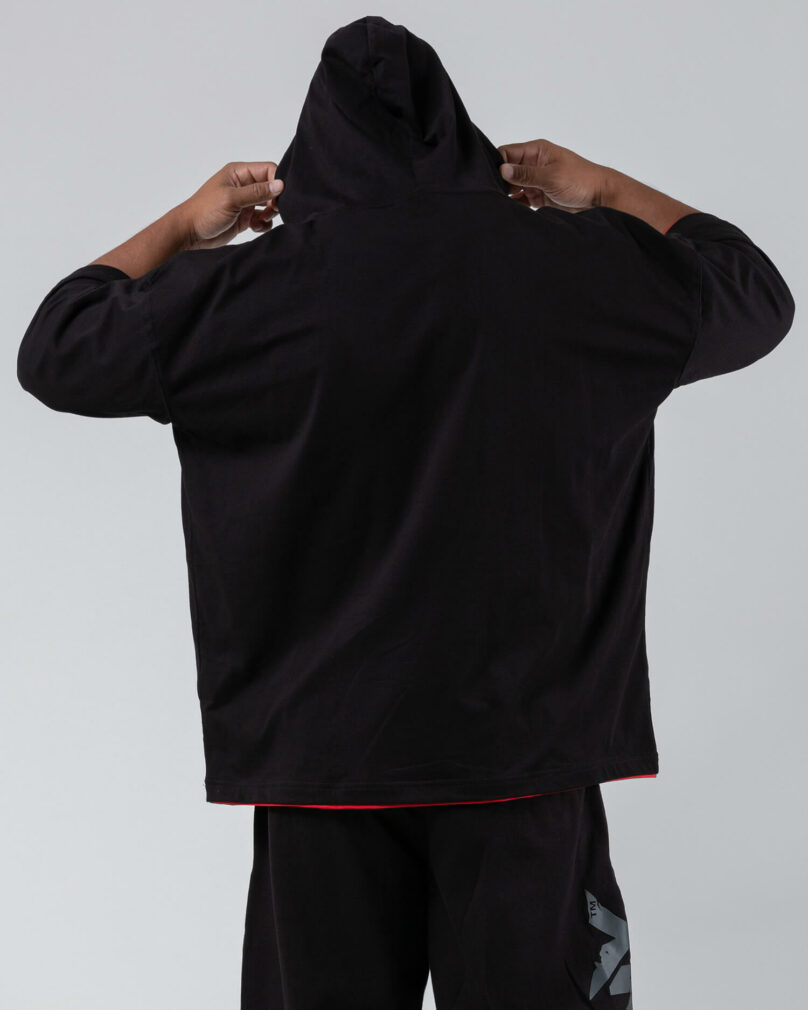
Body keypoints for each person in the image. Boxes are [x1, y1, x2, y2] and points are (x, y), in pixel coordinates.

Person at [16, 14, 795, 1010]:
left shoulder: (245, 292)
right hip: (522, 764)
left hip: (321, 768)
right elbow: (752, 289)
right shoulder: (576, 268)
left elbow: (57, 344)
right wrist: (601, 188)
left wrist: (184, 223)